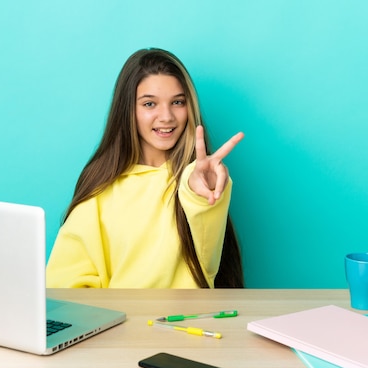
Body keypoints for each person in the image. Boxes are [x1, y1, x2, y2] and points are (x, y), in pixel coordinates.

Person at [46, 48, 244, 289]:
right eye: (150, 104)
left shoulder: (199, 180)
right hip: (121, 324)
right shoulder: (101, 187)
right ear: (127, 109)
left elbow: (208, 255)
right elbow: (65, 285)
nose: (166, 116)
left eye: (178, 102)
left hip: (186, 322)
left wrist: (201, 194)